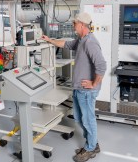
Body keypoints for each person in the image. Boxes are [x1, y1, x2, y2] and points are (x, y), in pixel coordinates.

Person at [41, 12, 106, 162]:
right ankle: (92, 143)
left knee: (88, 119)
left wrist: (93, 83)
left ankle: (90, 148)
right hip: (78, 88)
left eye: (75, 23)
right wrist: (49, 40)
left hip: (87, 91)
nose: (73, 26)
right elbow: (66, 44)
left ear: (82, 25)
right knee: (80, 118)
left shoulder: (90, 42)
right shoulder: (81, 39)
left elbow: (101, 66)